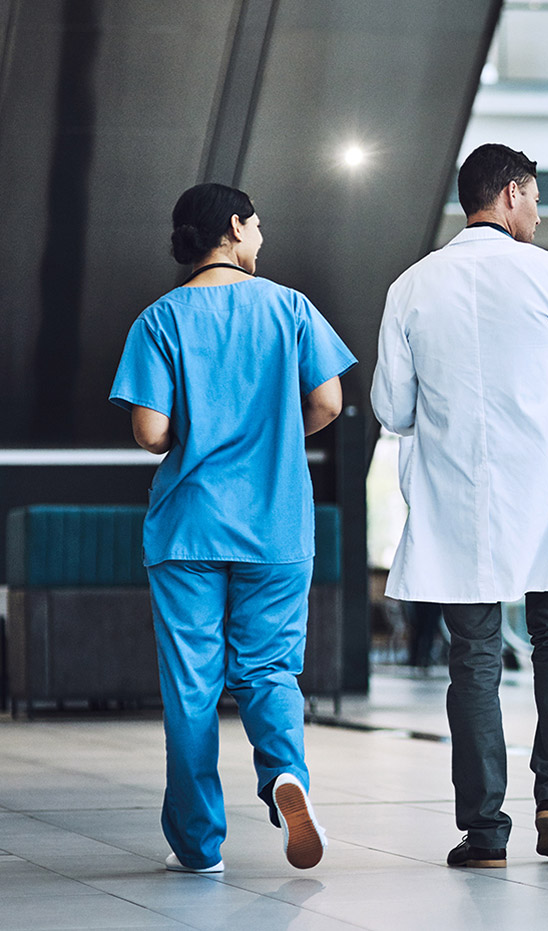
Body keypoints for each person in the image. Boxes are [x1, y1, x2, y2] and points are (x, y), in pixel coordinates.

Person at [371, 143, 548, 869]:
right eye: (538, 199)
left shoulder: (412, 286)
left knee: (475, 659)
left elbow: (391, 406)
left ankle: (485, 831)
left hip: (462, 504)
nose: (540, 213)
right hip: (546, 499)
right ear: (511, 193)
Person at [109, 182, 356, 873]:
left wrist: (197, 435)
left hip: (187, 527)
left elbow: (151, 429)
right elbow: (329, 402)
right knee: (269, 668)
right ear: (233, 227)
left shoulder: (159, 319)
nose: (262, 238)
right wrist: (274, 431)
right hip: (276, 523)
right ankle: (286, 778)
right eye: (257, 225)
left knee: (191, 686)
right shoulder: (291, 308)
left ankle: (197, 844)